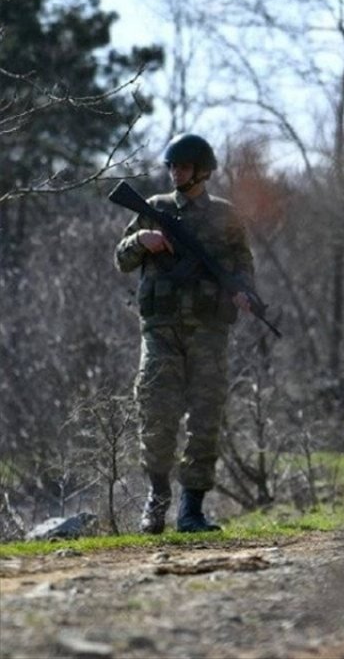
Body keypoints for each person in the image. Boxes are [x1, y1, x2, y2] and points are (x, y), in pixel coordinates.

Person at [115, 133, 255, 534]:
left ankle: (191, 510)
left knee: (206, 419)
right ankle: (157, 500)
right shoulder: (154, 208)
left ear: (203, 171)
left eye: (184, 167)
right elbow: (122, 259)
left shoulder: (226, 216)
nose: (176, 173)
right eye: (172, 166)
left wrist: (244, 293)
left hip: (209, 331)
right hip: (160, 331)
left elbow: (243, 266)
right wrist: (141, 240)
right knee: (156, 413)